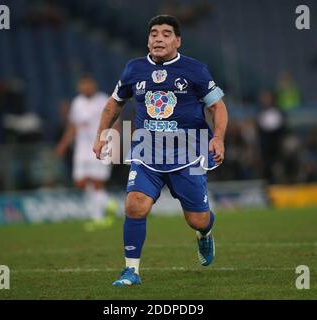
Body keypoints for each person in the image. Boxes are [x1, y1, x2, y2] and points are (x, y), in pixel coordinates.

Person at [93, 15, 228, 286]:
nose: (158, 38)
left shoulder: (195, 70)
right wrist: (102, 135)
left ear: (178, 41)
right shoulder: (133, 69)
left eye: (166, 34)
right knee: (134, 205)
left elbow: (217, 107)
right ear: (148, 40)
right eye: (154, 33)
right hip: (147, 151)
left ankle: (205, 234)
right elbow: (113, 104)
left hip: (188, 153)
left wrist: (219, 138)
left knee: (197, 220)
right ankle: (131, 270)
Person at [56, 75, 115, 231]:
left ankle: (98, 218)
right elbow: (73, 126)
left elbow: (115, 122)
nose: (85, 88)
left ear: (94, 86)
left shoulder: (104, 100)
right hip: (81, 149)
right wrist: (63, 144)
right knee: (81, 182)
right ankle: (107, 202)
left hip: (101, 146)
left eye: (88, 85)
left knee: (97, 182)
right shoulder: (77, 103)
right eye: (83, 86)